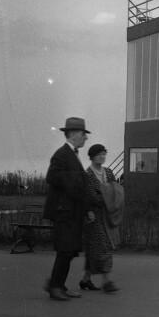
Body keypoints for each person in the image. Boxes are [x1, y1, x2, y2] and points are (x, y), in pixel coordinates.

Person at [42, 117, 92, 301]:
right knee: (66, 250)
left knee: (70, 250)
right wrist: (73, 179)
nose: (85, 138)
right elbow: (51, 176)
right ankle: (55, 287)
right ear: (71, 135)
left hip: (71, 211)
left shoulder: (72, 154)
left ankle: (58, 285)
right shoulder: (62, 154)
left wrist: (87, 209)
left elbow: (77, 185)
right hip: (63, 212)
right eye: (82, 134)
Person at [79, 144, 124, 293]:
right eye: (99, 154)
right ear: (92, 156)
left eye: (104, 154)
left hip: (107, 215)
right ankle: (107, 282)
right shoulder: (88, 175)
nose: (102, 157)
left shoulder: (109, 172)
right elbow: (90, 196)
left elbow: (115, 189)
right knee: (103, 246)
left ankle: (85, 280)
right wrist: (107, 196)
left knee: (94, 249)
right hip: (93, 216)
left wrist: (106, 195)